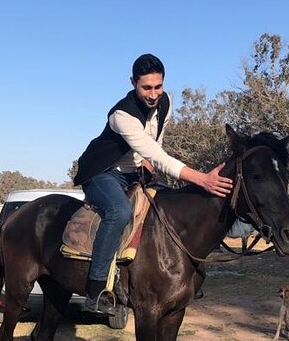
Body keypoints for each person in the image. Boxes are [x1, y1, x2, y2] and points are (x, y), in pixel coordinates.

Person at [73, 53, 233, 315]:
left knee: (172, 206)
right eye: (146, 87)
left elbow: (155, 144)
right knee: (119, 212)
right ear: (132, 83)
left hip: (133, 171)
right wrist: (203, 179)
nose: (153, 94)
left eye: (158, 86)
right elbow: (159, 155)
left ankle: (187, 279)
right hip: (104, 173)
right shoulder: (121, 115)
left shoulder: (165, 102)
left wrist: (146, 161)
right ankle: (96, 290)